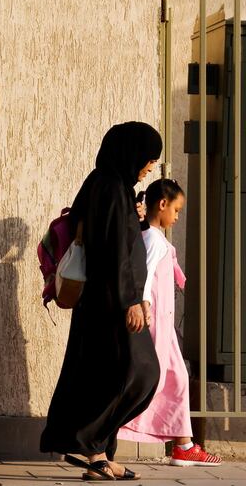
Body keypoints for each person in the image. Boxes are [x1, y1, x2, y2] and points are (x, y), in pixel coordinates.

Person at [41, 121, 163, 481]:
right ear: (131, 152)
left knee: (111, 375)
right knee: (139, 372)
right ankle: (90, 445)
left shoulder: (115, 186)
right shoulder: (109, 186)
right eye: (148, 159)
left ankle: (97, 453)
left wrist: (137, 221)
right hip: (111, 303)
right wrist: (131, 301)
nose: (150, 167)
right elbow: (110, 250)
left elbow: (118, 237)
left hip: (113, 301)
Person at [118, 179, 222, 466]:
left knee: (175, 380)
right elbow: (145, 273)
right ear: (162, 204)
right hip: (155, 325)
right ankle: (181, 444)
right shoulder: (152, 238)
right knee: (160, 380)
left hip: (163, 326)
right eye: (176, 210)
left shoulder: (154, 237)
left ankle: (183, 444)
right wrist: (144, 304)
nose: (177, 217)